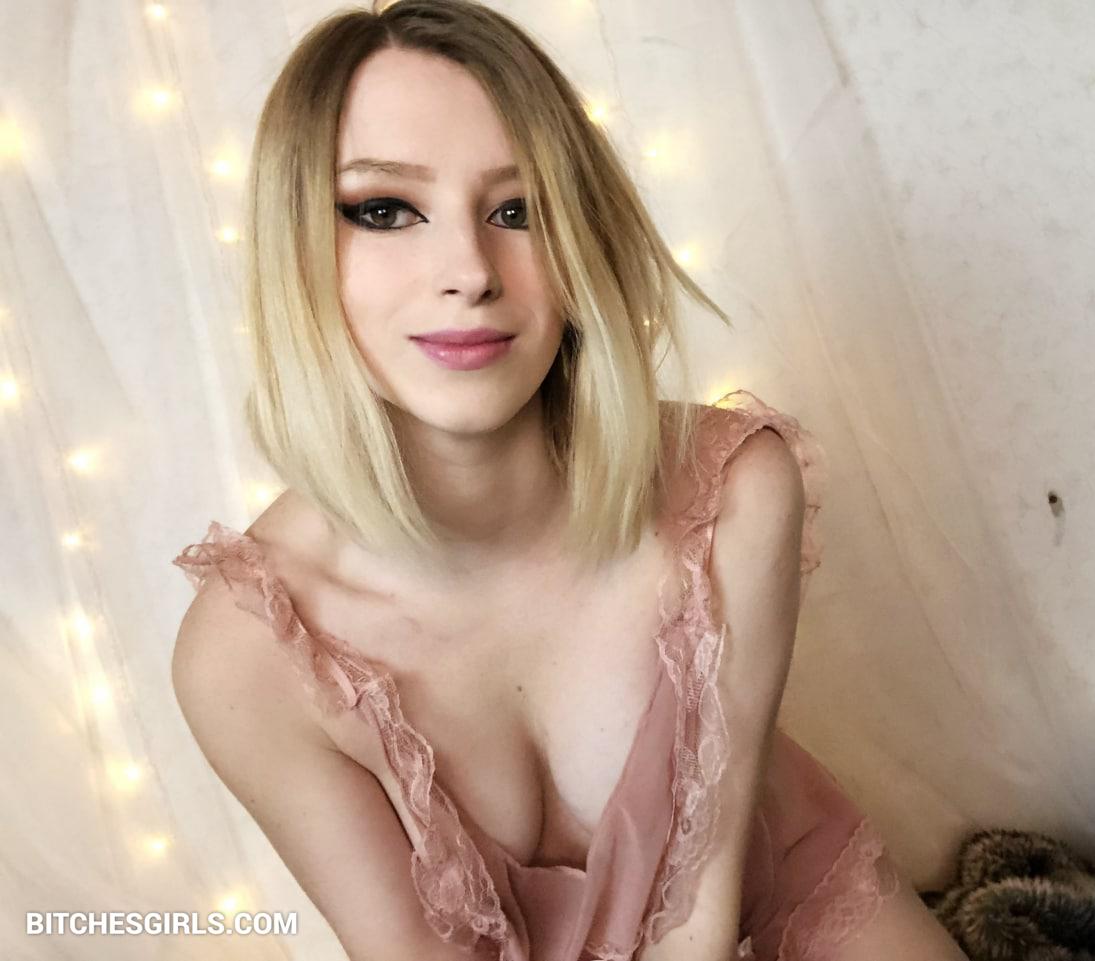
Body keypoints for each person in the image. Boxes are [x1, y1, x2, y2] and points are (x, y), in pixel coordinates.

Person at [170, 2, 970, 959]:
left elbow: (702, 913)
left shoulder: (734, 493)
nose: (470, 270)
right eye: (384, 210)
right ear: (295, 246)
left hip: (784, 902)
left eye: (520, 210)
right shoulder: (248, 657)